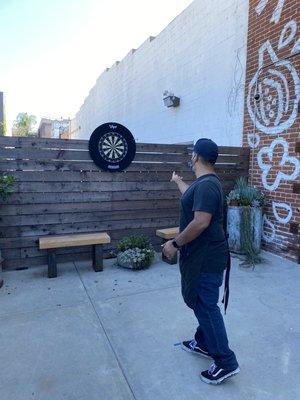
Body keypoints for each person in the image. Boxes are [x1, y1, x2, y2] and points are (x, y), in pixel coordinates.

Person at [162, 138, 239, 385]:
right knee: (200, 301)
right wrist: (177, 181)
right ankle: (204, 342)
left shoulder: (207, 186)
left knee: (206, 305)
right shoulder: (203, 183)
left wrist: (174, 244)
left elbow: (201, 221)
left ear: (196, 157)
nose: (190, 157)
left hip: (206, 257)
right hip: (202, 255)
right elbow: (191, 197)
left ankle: (226, 362)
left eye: (191, 154)